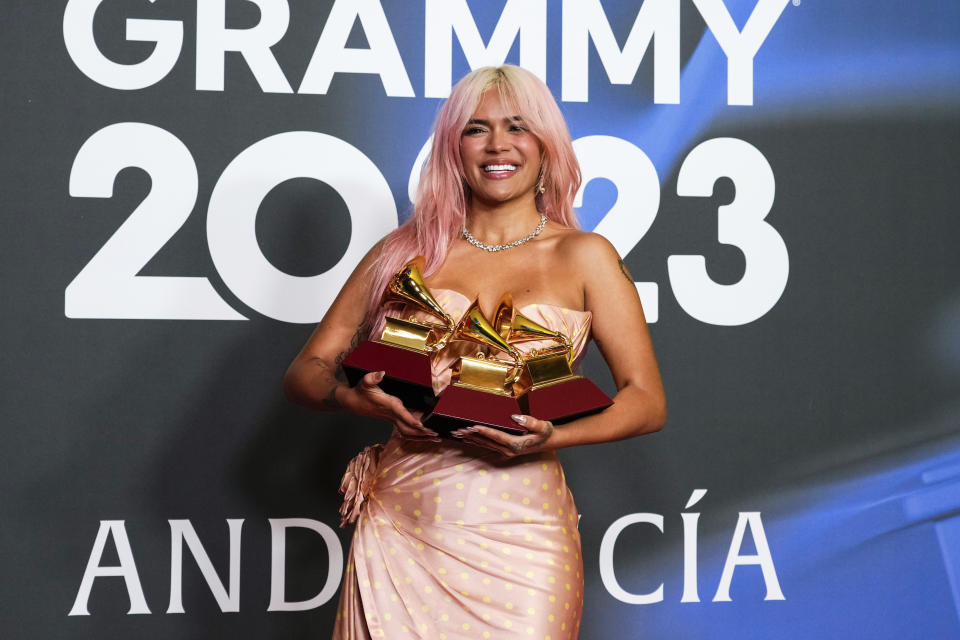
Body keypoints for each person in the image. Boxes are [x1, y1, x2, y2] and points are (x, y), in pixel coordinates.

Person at [284, 64, 666, 640]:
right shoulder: (402, 253)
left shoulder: (586, 255)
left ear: (546, 145)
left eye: (518, 126)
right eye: (476, 129)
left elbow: (646, 401)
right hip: (404, 520)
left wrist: (553, 436)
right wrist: (356, 401)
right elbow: (305, 371)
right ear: (452, 148)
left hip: (523, 533)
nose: (497, 146)